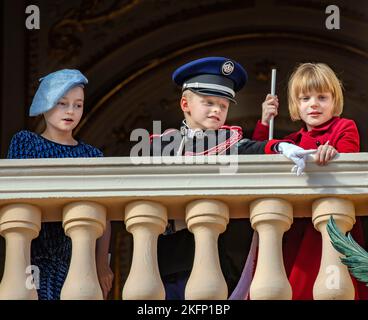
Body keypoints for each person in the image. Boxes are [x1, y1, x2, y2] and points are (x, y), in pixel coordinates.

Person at [149, 56, 314, 299]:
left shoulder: (226, 141)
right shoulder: (162, 143)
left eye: (223, 106)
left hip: (210, 258)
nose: (217, 110)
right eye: (208, 102)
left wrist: (280, 147)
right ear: (185, 103)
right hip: (165, 260)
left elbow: (250, 149)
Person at [252, 62, 368, 299]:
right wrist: (265, 122)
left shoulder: (344, 127)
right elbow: (259, 155)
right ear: (296, 105)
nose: (313, 104)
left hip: (332, 222)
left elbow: (348, 156)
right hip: (297, 227)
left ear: (335, 101)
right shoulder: (292, 141)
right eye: (305, 98)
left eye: (322, 97)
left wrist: (335, 154)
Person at [7, 69, 114, 300]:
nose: (70, 111)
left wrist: (101, 264)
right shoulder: (26, 143)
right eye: (61, 103)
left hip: (77, 264)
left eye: (78, 105)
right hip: (34, 263)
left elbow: (103, 214)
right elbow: (16, 202)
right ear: (45, 104)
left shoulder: (92, 155)